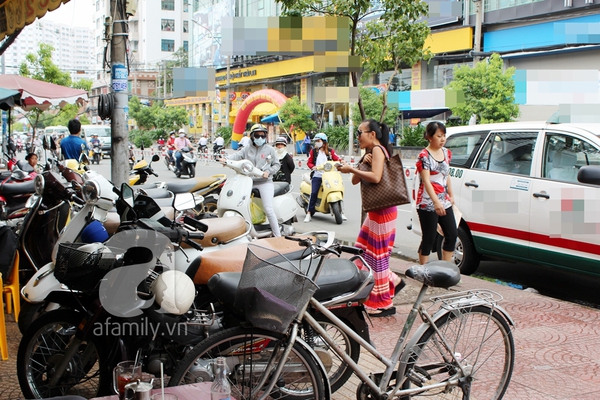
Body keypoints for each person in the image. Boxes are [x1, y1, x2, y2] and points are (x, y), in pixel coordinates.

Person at [337, 119, 402, 317]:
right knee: (364, 252)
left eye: (360, 132)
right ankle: (392, 280)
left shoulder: (379, 151)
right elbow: (356, 180)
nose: (358, 137)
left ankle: (384, 303)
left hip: (383, 211)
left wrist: (352, 169)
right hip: (376, 211)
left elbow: (375, 177)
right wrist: (358, 165)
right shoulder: (370, 153)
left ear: (372, 134)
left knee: (378, 258)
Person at [222, 124, 281, 237]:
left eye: (263, 135)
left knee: (268, 209)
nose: (260, 138)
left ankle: (277, 235)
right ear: (252, 136)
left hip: (264, 182)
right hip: (248, 181)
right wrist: (225, 159)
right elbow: (236, 156)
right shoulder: (247, 149)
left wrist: (268, 172)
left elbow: (277, 165)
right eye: (257, 135)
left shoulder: (270, 150)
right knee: (240, 204)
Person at [415, 121, 457, 265]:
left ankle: (445, 269)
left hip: (444, 200)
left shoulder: (446, 153)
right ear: (429, 137)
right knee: (429, 238)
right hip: (427, 202)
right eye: (439, 136)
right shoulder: (424, 156)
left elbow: (447, 175)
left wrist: (451, 195)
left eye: (444, 135)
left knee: (452, 234)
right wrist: (435, 202)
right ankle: (424, 271)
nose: (442, 139)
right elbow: (426, 181)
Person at [304, 132, 342, 223]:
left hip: (329, 175)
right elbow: (309, 162)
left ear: (324, 142)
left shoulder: (330, 151)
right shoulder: (313, 151)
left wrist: (341, 162)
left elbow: (337, 158)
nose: (317, 143)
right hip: (317, 175)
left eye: (318, 141)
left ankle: (341, 212)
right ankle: (309, 213)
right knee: (313, 193)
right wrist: (312, 167)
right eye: (316, 141)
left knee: (338, 188)